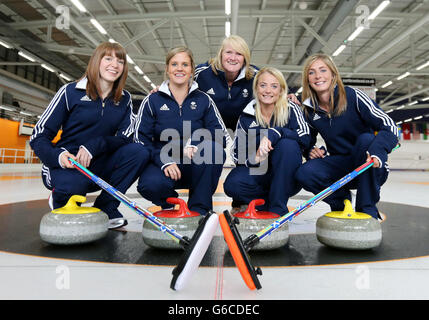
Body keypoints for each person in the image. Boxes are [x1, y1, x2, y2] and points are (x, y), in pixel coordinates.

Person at [30, 41, 150, 229]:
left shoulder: (124, 98)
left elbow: (126, 137)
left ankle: (106, 207)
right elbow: (38, 135)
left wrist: (95, 146)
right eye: (108, 58)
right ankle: (60, 195)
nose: (114, 65)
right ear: (96, 61)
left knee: (138, 152)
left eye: (120, 61)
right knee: (73, 192)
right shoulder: (70, 92)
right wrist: (59, 156)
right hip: (70, 163)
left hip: (100, 163)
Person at [295, 53, 399, 220]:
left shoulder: (352, 96)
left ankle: (367, 208)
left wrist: (378, 150)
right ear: (307, 79)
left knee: (365, 139)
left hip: (369, 164)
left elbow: (390, 126)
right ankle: (342, 204)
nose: (318, 76)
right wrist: (311, 152)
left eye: (323, 70)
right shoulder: (309, 110)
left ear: (333, 75)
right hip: (342, 167)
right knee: (304, 172)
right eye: (311, 72)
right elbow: (306, 141)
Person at [134, 46, 227, 216]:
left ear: (192, 69)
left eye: (185, 64)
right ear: (167, 68)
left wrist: (195, 142)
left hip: (195, 165)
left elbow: (220, 134)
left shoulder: (204, 100)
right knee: (150, 185)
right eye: (174, 64)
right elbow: (141, 140)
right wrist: (164, 161)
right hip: (163, 165)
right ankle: (168, 203)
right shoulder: (152, 100)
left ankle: (199, 210)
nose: (179, 69)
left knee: (213, 150)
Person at [223, 67, 310, 216]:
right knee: (232, 184)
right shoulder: (247, 115)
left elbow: (305, 137)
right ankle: (269, 202)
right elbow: (237, 153)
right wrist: (255, 159)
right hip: (259, 174)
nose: (268, 90)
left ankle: (277, 209)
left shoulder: (291, 109)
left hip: (286, 175)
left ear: (281, 90)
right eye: (263, 85)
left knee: (287, 144)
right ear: (256, 88)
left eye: (274, 86)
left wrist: (275, 132)